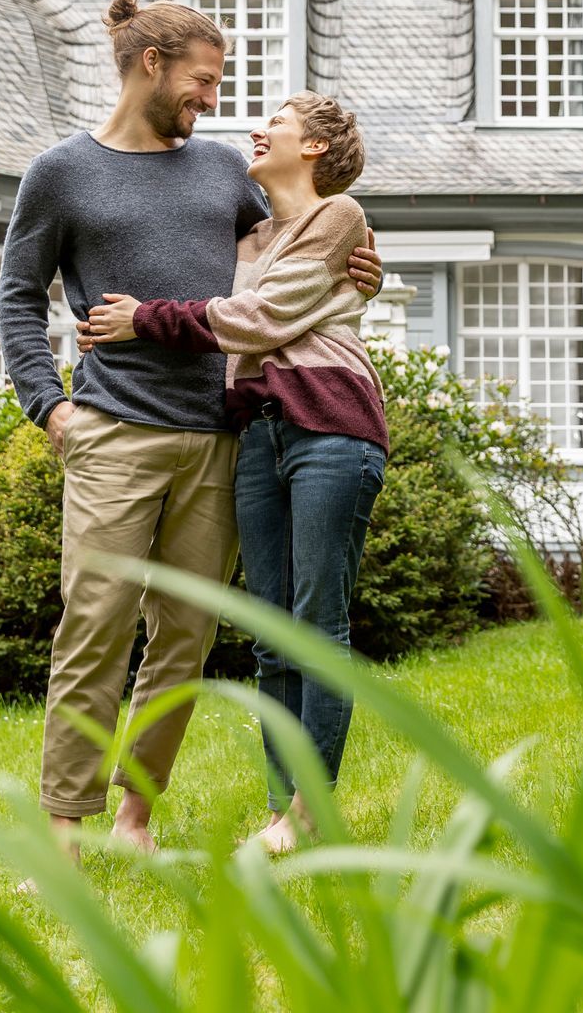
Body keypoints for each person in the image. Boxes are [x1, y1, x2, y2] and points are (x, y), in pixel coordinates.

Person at [0, 0, 382, 859]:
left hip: (221, 434)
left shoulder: (220, 173)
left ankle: (134, 823)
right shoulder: (60, 174)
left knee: (184, 637)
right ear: (151, 65)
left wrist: (367, 267)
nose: (212, 99)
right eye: (203, 80)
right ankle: (65, 833)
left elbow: (295, 252)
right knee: (93, 622)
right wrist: (47, 405)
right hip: (111, 428)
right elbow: (18, 298)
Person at [83, 92, 387, 854]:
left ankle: (310, 811)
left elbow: (258, 321)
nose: (258, 129)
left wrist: (143, 318)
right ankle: (285, 808)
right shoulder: (250, 239)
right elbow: (213, 288)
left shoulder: (339, 217)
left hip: (330, 427)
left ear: (314, 147)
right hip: (257, 434)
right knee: (271, 632)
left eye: (276, 123)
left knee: (318, 622)